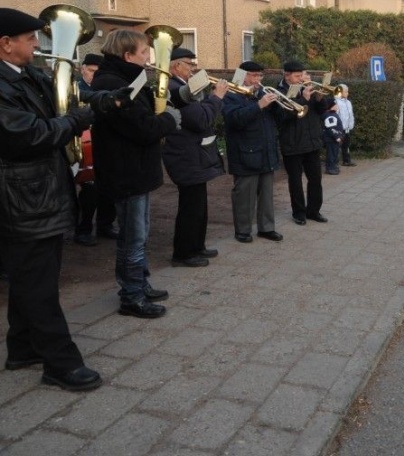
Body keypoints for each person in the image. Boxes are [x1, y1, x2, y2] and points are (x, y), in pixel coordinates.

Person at [0, 7, 122, 391]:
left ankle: (22, 348)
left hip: (37, 190)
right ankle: (60, 363)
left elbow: (68, 97)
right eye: (31, 39)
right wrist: (75, 121)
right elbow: (28, 135)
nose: (38, 45)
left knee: (34, 277)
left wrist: (105, 100)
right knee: (38, 283)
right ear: (5, 44)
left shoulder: (26, 74)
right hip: (21, 196)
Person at [91, 29, 181, 319]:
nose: (148, 58)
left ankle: (139, 283)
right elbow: (142, 129)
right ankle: (131, 296)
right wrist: (169, 119)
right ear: (127, 55)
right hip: (126, 173)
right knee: (133, 238)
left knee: (137, 236)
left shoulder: (125, 78)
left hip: (135, 170)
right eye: (144, 53)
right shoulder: (113, 83)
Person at [162, 47, 227, 267]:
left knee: (199, 204)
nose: (193, 69)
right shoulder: (175, 88)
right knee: (190, 207)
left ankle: (197, 246)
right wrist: (216, 97)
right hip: (185, 154)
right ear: (176, 66)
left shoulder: (184, 86)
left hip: (193, 154)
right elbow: (200, 120)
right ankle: (183, 253)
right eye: (189, 64)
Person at [223, 61, 283, 243]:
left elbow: (280, 120)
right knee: (244, 196)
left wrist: (278, 104)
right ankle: (243, 230)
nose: (257, 79)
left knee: (266, 194)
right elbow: (234, 119)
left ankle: (266, 228)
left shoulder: (262, 93)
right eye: (253, 75)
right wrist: (258, 105)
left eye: (260, 76)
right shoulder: (232, 95)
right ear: (242, 75)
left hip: (266, 150)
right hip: (245, 152)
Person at [275, 61, 328, 225]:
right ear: (287, 75)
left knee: (315, 179)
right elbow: (282, 116)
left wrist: (319, 99)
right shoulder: (279, 91)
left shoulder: (307, 88)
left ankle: (314, 211)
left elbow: (321, 111)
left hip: (311, 142)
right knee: (295, 181)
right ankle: (298, 212)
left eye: (301, 75)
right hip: (292, 143)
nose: (300, 79)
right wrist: (304, 99)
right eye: (297, 76)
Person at [74, 53, 119, 247]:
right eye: (91, 70)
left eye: (97, 71)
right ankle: (83, 229)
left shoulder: (104, 87)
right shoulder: (75, 88)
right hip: (81, 144)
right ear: (82, 69)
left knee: (109, 186)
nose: (94, 75)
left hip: (103, 144)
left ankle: (105, 225)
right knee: (89, 189)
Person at [322, 99, 345, 175]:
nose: (337, 106)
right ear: (331, 107)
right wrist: (337, 136)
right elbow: (331, 128)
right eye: (335, 105)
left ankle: (334, 166)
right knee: (331, 154)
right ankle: (330, 168)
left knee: (335, 153)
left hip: (334, 139)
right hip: (331, 139)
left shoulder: (333, 114)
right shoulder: (329, 115)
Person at [336, 83, 356, 166]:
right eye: (346, 92)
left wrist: (351, 124)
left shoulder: (348, 102)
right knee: (337, 146)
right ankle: (334, 162)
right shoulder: (336, 102)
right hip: (340, 128)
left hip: (347, 128)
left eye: (347, 92)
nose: (347, 93)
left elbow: (350, 114)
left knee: (346, 145)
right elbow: (336, 115)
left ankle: (346, 160)